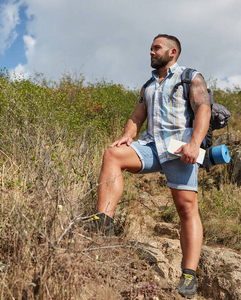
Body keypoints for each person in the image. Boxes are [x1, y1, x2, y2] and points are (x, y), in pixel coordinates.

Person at [83, 34, 211, 298]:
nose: (151, 52)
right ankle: (103, 223)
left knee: (186, 208)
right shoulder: (148, 86)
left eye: (157, 48)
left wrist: (195, 144)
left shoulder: (190, 77)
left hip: (180, 148)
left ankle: (189, 274)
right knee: (113, 154)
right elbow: (136, 116)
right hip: (151, 146)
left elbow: (203, 111)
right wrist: (128, 134)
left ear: (172, 52)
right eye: (151, 48)